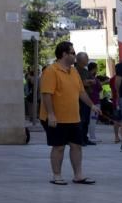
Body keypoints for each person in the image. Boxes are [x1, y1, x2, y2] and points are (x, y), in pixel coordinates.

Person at [39, 41, 100, 185]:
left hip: (73, 117)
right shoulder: (51, 71)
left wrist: (92, 106)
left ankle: (78, 175)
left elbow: (81, 92)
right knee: (59, 147)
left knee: (76, 146)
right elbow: (46, 94)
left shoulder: (74, 72)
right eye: (72, 53)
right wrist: (51, 115)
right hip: (56, 118)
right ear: (64, 54)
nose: (75, 56)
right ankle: (57, 176)